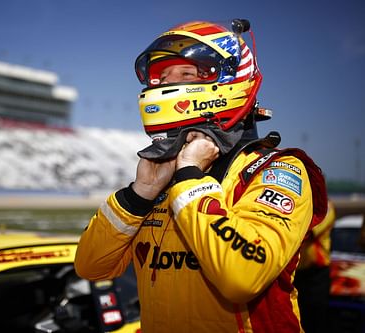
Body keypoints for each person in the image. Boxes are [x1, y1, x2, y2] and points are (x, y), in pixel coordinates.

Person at [74, 19, 328, 332]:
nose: (166, 85)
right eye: (161, 77)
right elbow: (90, 266)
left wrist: (192, 180)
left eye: (185, 73)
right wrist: (138, 194)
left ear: (230, 81)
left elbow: (242, 276)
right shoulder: (161, 177)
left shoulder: (274, 170)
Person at [294, 200, 336, 333]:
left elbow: (308, 233)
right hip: (297, 274)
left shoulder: (325, 207)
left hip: (317, 274)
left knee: (315, 320)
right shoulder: (302, 205)